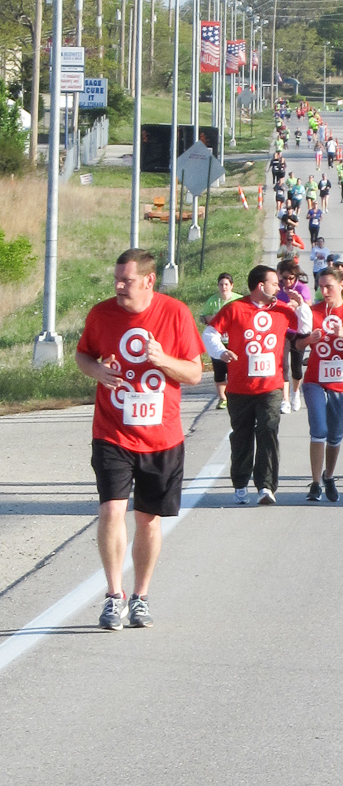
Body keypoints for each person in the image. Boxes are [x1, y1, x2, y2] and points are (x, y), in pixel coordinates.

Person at [75, 248, 204, 630]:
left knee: (148, 520)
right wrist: (97, 371)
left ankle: (140, 597)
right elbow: (83, 356)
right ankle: (113, 596)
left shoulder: (175, 313)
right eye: (116, 279)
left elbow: (194, 374)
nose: (118, 286)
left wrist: (162, 360)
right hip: (112, 431)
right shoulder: (101, 314)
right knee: (112, 510)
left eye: (126, 280)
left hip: (162, 437)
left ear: (148, 280)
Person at [203, 265, 310, 506]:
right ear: (261, 286)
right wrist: (220, 352)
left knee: (268, 431)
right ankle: (241, 484)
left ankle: (266, 486)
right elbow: (209, 333)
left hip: (271, 387)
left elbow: (304, 329)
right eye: (275, 283)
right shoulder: (235, 308)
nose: (279, 287)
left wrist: (301, 305)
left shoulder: (282, 309)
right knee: (241, 437)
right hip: (239, 387)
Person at [297, 266, 343, 502]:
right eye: (321, 287)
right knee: (319, 429)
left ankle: (328, 476)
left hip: (341, 381)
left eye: (329, 287)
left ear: (341, 286)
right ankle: (315, 483)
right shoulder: (313, 311)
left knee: (335, 434)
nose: (324, 291)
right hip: (315, 380)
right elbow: (297, 344)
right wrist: (308, 340)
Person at [201, 272, 242, 410]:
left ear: (231, 286)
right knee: (219, 371)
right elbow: (203, 318)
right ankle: (222, 398)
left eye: (226, 284)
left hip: (234, 340)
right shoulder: (212, 301)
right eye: (221, 284)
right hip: (217, 341)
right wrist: (210, 318)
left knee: (234, 370)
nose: (223, 287)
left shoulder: (238, 300)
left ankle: (234, 395)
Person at [277, 258, 312, 413]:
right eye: (284, 278)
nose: (287, 281)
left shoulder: (302, 288)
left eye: (291, 278)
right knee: (283, 366)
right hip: (283, 331)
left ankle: (295, 393)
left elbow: (309, 308)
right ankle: (285, 400)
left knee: (296, 368)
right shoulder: (277, 288)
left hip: (299, 332)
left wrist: (298, 304)